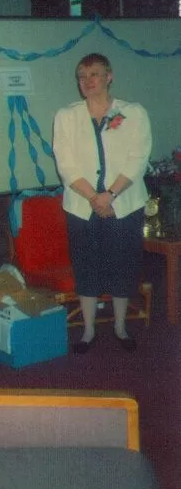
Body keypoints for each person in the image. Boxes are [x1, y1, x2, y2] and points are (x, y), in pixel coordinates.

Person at [53, 53, 152, 354]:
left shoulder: (133, 112)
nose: (87, 81)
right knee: (87, 267)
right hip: (82, 207)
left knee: (123, 265)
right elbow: (66, 165)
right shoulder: (66, 116)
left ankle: (121, 327)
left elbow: (139, 158)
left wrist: (111, 194)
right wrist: (95, 198)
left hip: (125, 204)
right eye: (82, 76)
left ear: (109, 76)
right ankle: (88, 331)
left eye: (94, 74)